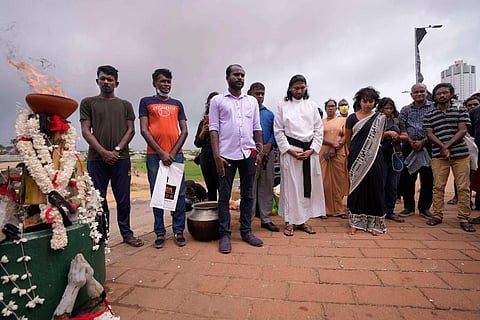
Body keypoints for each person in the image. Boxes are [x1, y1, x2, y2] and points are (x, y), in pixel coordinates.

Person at [80, 65, 143, 247]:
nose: (106, 82)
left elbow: (131, 130)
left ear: (117, 83)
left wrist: (116, 150)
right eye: (103, 78)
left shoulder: (125, 105)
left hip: (121, 160)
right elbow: (86, 131)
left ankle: (127, 233)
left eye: (110, 79)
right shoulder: (88, 103)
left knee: (123, 199)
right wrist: (103, 152)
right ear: (97, 81)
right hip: (96, 160)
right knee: (99, 200)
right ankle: (102, 236)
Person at [209, 64, 264, 254]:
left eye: (242, 75)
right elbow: (213, 129)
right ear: (227, 77)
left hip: (248, 154)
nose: (239, 77)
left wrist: (259, 150)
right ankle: (224, 234)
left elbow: (257, 128)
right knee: (224, 196)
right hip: (226, 155)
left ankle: (246, 231)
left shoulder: (252, 102)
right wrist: (217, 155)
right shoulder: (217, 101)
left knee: (248, 194)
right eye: (236, 74)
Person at [139, 68, 188, 248]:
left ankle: (178, 230)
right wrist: (161, 153)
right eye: (162, 81)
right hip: (155, 156)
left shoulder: (177, 104)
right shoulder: (146, 102)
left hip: (177, 156)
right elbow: (144, 130)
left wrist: (173, 153)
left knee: (179, 194)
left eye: (168, 81)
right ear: (154, 83)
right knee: (158, 193)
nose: (165, 84)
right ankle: (160, 232)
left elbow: (184, 130)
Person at [274, 74, 326, 237]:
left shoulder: (311, 106)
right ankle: (289, 222)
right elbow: (278, 131)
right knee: (291, 188)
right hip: (291, 152)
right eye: (296, 88)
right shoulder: (282, 105)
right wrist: (289, 150)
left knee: (306, 188)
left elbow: (319, 130)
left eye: (302, 88)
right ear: (290, 88)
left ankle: (303, 221)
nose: (299, 90)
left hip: (308, 152)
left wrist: (312, 149)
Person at [423, 83, 475, 232]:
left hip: (461, 154)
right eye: (439, 93)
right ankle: (437, 215)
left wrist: (447, 146)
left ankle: (464, 218)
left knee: (463, 187)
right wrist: (442, 147)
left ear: (451, 94)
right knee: (438, 186)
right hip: (439, 155)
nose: (442, 96)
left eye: (445, 93)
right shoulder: (430, 114)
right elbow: (430, 134)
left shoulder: (461, 110)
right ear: (434, 97)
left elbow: (462, 130)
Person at [345, 87, 386, 235]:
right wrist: (357, 154)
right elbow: (348, 140)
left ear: (375, 102)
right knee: (357, 188)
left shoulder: (380, 118)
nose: (368, 104)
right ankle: (355, 223)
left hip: (375, 157)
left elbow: (380, 139)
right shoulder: (351, 118)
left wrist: (370, 150)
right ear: (359, 101)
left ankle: (374, 223)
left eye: (371, 101)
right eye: (365, 101)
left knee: (375, 187)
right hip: (356, 157)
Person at [397, 83, 435, 219]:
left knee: (428, 179)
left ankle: (424, 208)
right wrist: (411, 141)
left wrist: (424, 141)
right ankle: (409, 207)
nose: (419, 94)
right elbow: (402, 126)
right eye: (416, 92)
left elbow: (436, 126)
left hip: (429, 146)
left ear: (426, 92)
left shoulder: (434, 107)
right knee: (408, 178)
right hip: (409, 146)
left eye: (421, 91)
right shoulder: (405, 109)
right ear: (411, 95)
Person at [247, 82, 280, 232]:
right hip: (250, 155)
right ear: (250, 94)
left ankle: (266, 219)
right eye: (257, 93)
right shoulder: (245, 112)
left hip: (268, 155)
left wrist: (268, 147)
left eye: (262, 93)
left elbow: (276, 133)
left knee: (267, 186)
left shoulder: (269, 114)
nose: (260, 96)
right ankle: (247, 219)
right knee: (250, 187)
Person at [319, 99, 348, 219]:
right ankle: (325, 209)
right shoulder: (320, 122)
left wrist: (337, 146)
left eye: (333, 106)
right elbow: (317, 136)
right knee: (324, 181)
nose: (331, 108)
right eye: (328, 106)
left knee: (339, 181)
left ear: (336, 108)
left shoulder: (343, 120)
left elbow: (347, 134)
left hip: (338, 152)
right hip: (324, 153)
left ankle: (339, 209)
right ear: (325, 108)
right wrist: (331, 144)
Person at [378, 97, 404, 223]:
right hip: (381, 156)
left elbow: (406, 135)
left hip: (396, 155)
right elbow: (374, 138)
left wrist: (397, 136)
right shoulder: (376, 121)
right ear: (380, 109)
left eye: (390, 108)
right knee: (381, 185)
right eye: (386, 108)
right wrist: (387, 134)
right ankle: (379, 211)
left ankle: (390, 211)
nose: (388, 111)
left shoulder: (397, 121)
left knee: (393, 186)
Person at [194, 92, 219, 201]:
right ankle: (212, 214)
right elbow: (197, 143)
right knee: (211, 188)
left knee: (222, 187)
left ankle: (223, 215)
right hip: (205, 157)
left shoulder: (224, 121)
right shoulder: (203, 123)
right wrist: (203, 132)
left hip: (219, 155)